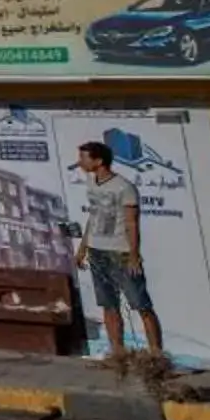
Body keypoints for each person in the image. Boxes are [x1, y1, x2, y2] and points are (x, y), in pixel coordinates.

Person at [74, 139, 161, 361]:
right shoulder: (92, 183)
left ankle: (156, 355)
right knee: (108, 305)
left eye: (84, 157)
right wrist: (83, 248)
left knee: (141, 304)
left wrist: (133, 255)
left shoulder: (124, 187)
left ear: (99, 160)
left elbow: (132, 223)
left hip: (120, 253)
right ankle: (117, 353)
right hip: (97, 250)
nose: (80, 162)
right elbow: (93, 217)